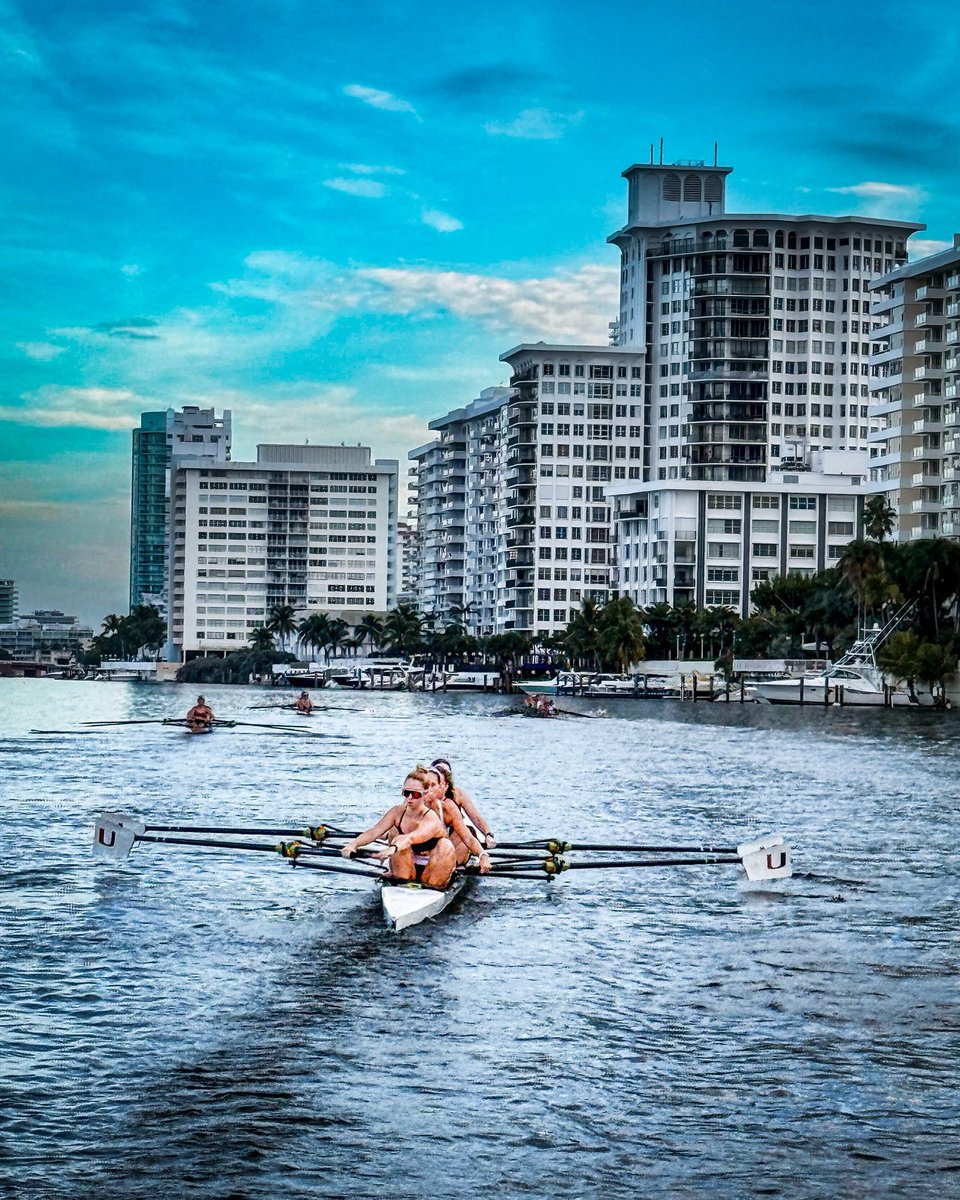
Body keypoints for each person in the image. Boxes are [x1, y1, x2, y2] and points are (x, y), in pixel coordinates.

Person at [341, 765, 491, 887]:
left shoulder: (433, 816)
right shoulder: (397, 811)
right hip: (409, 863)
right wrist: (352, 845)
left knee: (445, 845)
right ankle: (401, 881)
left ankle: (433, 886)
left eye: (416, 794)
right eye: (406, 793)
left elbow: (413, 837)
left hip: (434, 864)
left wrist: (483, 855)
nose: (410, 798)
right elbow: (374, 832)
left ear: (425, 793)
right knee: (396, 835)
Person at [431, 758, 497, 859]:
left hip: (453, 834)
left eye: (445, 773)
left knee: (469, 831)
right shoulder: (419, 796)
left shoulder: (458, 794)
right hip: (431, 837)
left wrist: (488, 835)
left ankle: (461, 858)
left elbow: (476, 817)